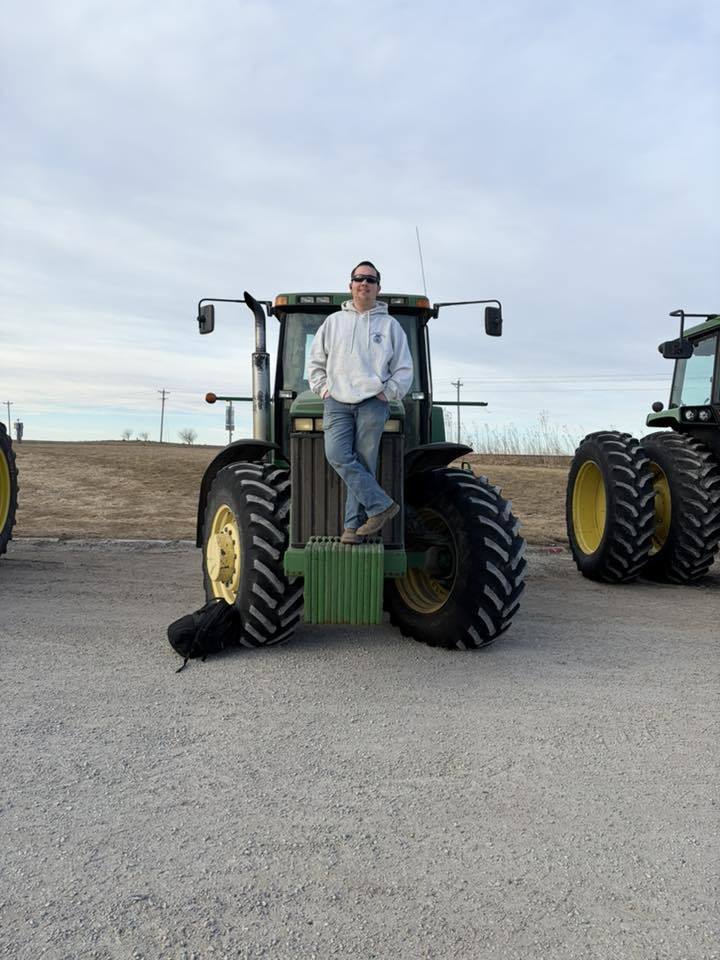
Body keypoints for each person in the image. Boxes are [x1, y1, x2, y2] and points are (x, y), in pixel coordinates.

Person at [308, 260, 414, 544]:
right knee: (337, 454)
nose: (364, 283)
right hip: (337, 402)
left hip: (372, 402)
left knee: (365, 461)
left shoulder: (390, 326)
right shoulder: (333, 323)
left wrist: (386, 393)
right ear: (350, 285)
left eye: (370, 279)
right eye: (359, 278)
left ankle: (351, 528)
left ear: (378, 288)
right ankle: (380, 506)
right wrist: (324, 390)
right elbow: (315, 362)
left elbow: (404, 369)